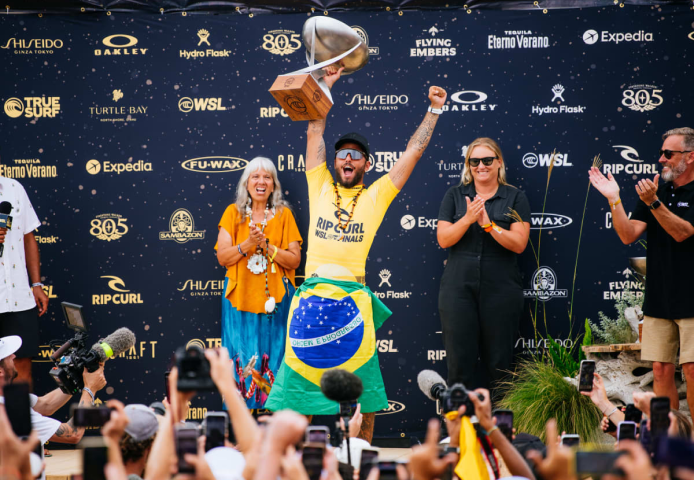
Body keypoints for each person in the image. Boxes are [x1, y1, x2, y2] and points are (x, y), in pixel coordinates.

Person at [265, 65, 447, 443]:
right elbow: (315, 129)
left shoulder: (377, 194)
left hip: (353, 302)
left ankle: (360, 454)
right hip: (311, 297)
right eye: (342, 154)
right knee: (299, 389)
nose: (347, 159)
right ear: (336, 161)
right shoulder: (318, 184)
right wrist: (324, 89)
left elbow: (413, 151)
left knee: (363, 392)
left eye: (356, 155)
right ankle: (300, 460)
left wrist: (433, 110)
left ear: (367, 164)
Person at [588, 127, 694, 414]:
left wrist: (654, 203)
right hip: (659, 296)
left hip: (692, 297)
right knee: (659, 369)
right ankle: (668, 441)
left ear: (690, 156)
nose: (661, 159)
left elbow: (683, 232)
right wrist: (614, 198)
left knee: (692, 370)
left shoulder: (657, 196)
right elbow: (628, 233)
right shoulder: (657, 189)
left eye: (668, 154)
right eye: (661, 153)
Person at [436, 137, 531, 393]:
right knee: (458, 365)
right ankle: (457, 429)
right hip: (458, 290)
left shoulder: (515, 197)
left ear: (499, 163)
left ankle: (501, 429)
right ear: (468, 164)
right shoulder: (455, 195)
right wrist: (467, 219)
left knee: (501, 366)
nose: (481, 166)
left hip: (501, 290)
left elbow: (519, 244)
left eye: (487, 160)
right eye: (474, 161)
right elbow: (443, 239)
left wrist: (489, 225)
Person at [215, 157, 302, 409]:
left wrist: (267, 246)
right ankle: (242, 423)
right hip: (238, 300)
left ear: (274, 185)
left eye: (267, 177)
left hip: (275, 301)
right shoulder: (233, 213)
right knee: (241, 355)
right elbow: (223, 257)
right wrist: (249, 244)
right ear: (246, 183)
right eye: (255, 176)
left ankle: (272, 420)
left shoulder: (284, 215)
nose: (261, 182)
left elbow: (294, 260)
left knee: (274, 355)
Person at [0, 335, 107, 445]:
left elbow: (46, 405)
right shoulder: (9, 412)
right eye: (8, 356)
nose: (13, 356)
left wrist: (78, 377)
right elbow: (72, 433)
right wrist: (90, 389)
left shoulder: (10, 398)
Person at [0, 176, 49, 389]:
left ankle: (21, 423)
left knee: (21, 371)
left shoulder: (14, 188)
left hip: (19, 299)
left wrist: (36, 284)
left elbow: (28, 238)